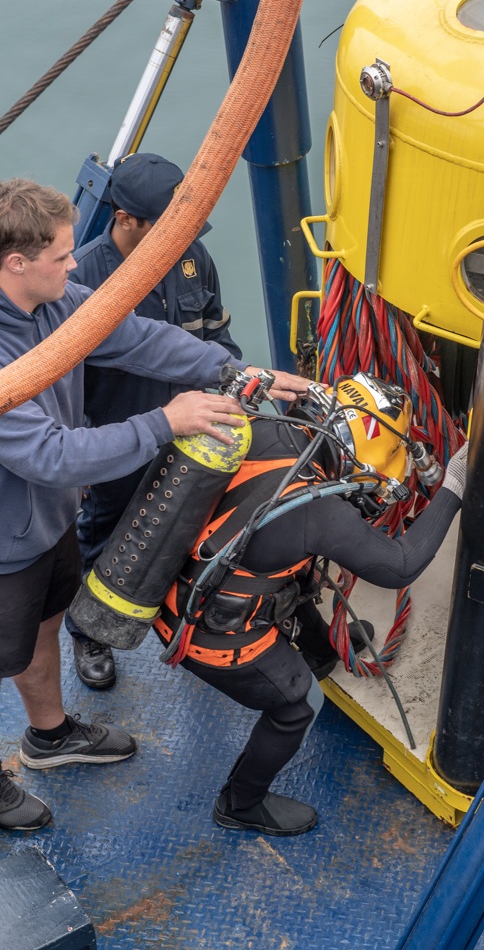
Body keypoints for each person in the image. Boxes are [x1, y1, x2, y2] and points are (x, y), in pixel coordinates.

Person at [0, 177, 309, 832]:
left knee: (45, 626)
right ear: (15, 264)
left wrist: (232, 372)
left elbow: (135, 338)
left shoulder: (50, 303)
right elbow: (50, 455)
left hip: (41, 521)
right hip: (3, 541)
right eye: (60, 255)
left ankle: (49, 737)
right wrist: (167, 422)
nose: (74, 262)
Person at [151, 372, 468, 837]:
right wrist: (455, 483)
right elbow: (400, 566)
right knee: (297, 706)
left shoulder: (267, 431)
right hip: (211, 635)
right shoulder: (317, 508)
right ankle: (241, 803)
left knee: (297, 576)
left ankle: (321, 653)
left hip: (181, 587)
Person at [63, 152, 243, 691]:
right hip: (115, 441)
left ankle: (181, 617)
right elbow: (65, 386)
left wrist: (234, 388)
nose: (178, 239)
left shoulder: (193, 258)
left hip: (190, 434)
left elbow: (216, 334)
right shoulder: (84, 280)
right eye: (164, 227)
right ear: (125, 218)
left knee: (191, 528)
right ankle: (87, 631)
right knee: (100, 537)